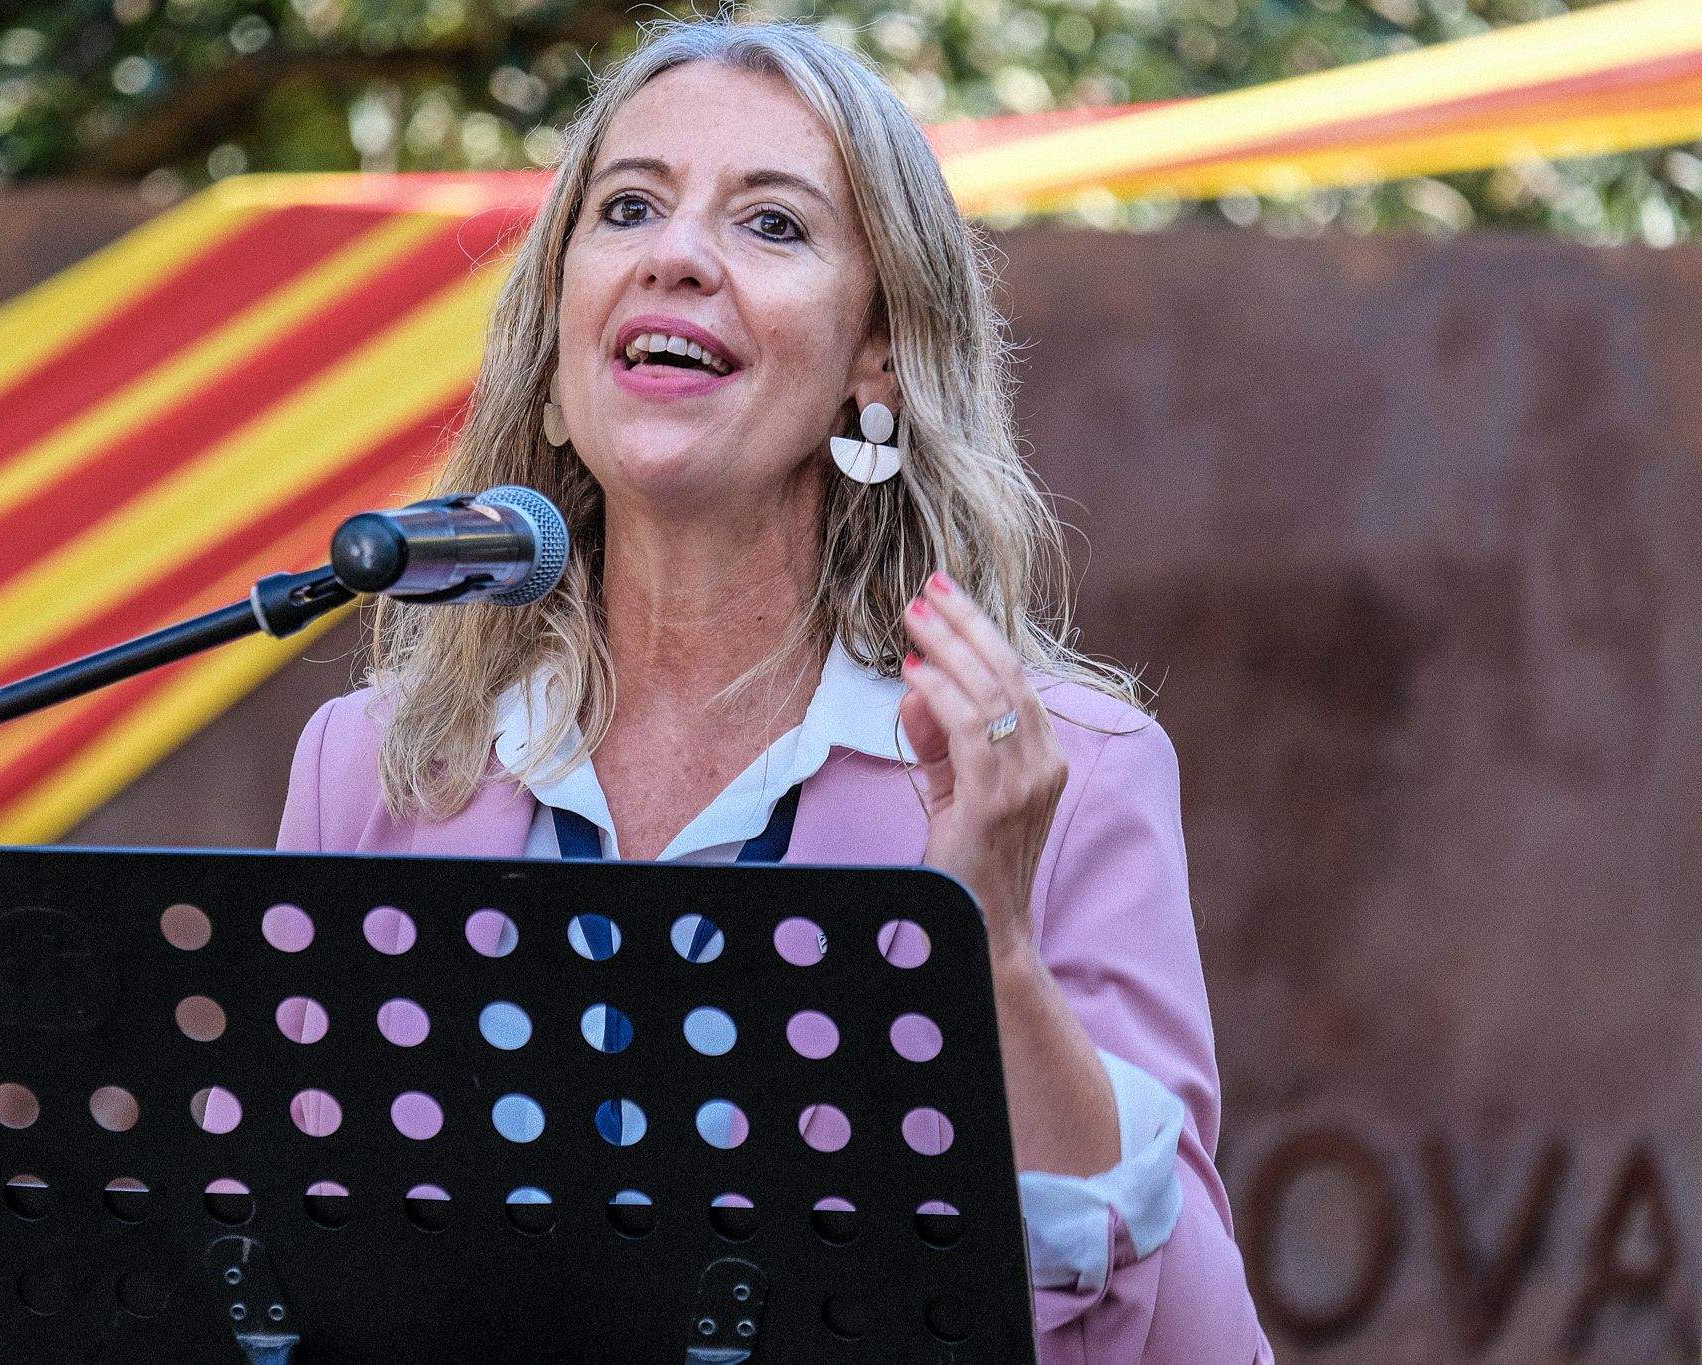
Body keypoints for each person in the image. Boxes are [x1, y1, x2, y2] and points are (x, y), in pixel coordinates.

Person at [280, 17, 1270, 1360]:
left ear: (877, 361)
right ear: (562, 326)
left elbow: (1187, 1341)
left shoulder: (1067, 777)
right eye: (628, 207)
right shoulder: (376, 766)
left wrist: (987, 949)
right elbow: (275, 1276)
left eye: (773, 225)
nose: (674, 254)